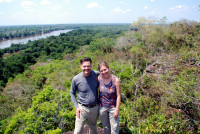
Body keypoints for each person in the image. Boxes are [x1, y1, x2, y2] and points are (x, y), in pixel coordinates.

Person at [70, 57, 99, 134]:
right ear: (81, 66)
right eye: (84, 66)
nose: (86, 68)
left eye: (88, 66)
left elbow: (106, 75)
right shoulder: (76, 79)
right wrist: (76, 107)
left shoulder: (96, 74)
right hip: (82, 108)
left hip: (94, 108)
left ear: (91, 66)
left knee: (93, 129)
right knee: (78, 130)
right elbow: (72, 92)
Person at [98, 61, 121, 134]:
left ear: (108, 68)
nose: (104, 72)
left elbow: (119, 95)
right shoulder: (99, 79)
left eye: (105, 69)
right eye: (101, 71)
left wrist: (117, 109)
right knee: (106, 127)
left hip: (113, 107)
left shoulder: (116, 80)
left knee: (114, 128)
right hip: (102, 107)